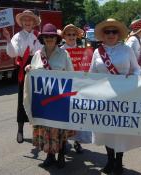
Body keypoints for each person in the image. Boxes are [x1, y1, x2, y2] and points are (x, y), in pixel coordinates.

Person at [89, 18, 141, 175]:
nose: (111, 34)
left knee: (119, 129)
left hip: (122, 96)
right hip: (103, 97)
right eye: (107, 32)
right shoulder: (97, 52)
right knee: (106, 129)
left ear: (119, 34)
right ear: (103, 34)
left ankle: (119, 161)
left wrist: (130, 78)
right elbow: (92, 74)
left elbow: (137, 70)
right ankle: (110, 160)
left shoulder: (126, 50)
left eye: (114, 31)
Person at [25, 23, 74, 168]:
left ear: (57, 38)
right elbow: (33, 73)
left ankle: (61, 156)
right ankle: (49, 155)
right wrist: (29, 68)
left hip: (60, 99)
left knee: (60, 129)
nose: (49, 39)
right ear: (42, 38)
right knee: (47, 128)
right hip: (44, 101)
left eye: (52, 36)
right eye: (46, 36)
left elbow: (71, 76)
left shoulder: (64, 54)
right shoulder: (38, 55)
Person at [3, 10, 42, 144]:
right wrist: (8, 39)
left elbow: (42, 53)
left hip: (36, 69)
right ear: (22, 22)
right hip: (22, 70)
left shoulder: (38, 36)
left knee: (36, 101)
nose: (27, 22)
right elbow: (12, 54)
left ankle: (37, 133)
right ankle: (20, 130)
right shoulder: (17, 36)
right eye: (25, 20)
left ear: (33, 22)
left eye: (30, 20)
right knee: (22, 100)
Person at [60, 24, 90, 153]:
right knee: (65, 114)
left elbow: (87, 70)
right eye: (69, 35)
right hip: (64, 87)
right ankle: (64, 140)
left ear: (77, 36)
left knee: (77, 115)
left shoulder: (83, 50)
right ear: (64, 36)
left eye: (73, 35)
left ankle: (77, 141)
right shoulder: (59, 50)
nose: (71, 37)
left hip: (78, 87)